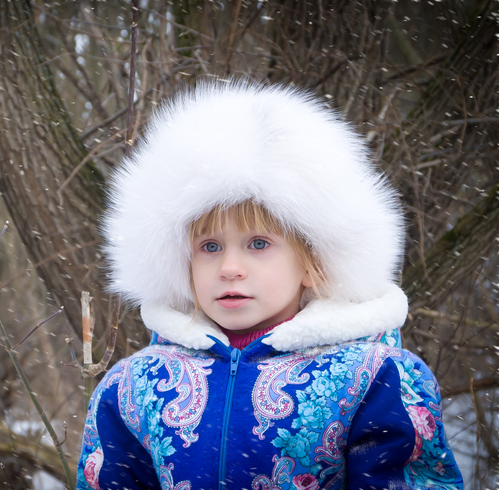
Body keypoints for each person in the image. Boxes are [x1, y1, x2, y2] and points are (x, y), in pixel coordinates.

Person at [76, 81, 463, 490]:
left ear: (313, 264)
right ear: (181, 265)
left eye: (258, 244)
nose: (229, 268)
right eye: (210, 247)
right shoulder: (134, 386)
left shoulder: (375, 379)